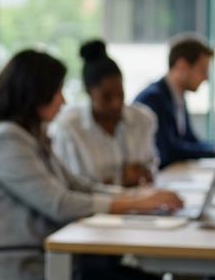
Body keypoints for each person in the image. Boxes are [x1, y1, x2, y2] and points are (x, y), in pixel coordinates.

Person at [0, 49, 179, 280]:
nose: (63, 100)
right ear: (34, 93)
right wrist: (134, 205)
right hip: (25, 276)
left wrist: (138, 198)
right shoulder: (6, 141)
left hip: (50, 264)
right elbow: (60, 204)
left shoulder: (29, 136)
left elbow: (80, 185)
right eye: (56, 91)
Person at [134, 34, 215, 280]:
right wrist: (213, 149)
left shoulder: (175, 98)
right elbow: (170, 148)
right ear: (182, 65)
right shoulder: (153, 98)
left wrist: (212, 147)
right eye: (202, 70)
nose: (206, 79)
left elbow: (189, 140)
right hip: (157, 187)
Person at [51, 39, 158, 188]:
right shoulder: (70, 127)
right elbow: (71, 186)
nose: (116, 104)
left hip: (141, 202)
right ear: (88, 92)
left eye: (120, 95)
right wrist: (119, 181)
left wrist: (144, 172)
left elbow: (151, 166)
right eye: (106, 97)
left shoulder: (142, 119)